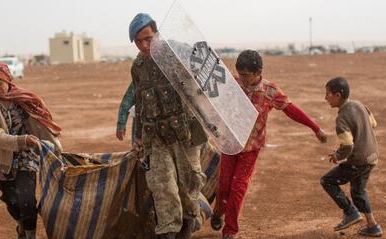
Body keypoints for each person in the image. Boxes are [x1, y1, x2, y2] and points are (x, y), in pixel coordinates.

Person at [210, 50, 328, 239]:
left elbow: (292, 110)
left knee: (238, 187)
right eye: (240, 74)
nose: (242, 78)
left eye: (246, 75)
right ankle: (218, 212)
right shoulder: (232, 82)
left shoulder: (270, 91)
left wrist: (315, 128)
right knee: (224, 185)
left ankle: (230, 230)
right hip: (230, 143)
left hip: (250, 148)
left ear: (258, 72)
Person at [128, 13, 208, 239]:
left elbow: (204, 77)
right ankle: (168, 231)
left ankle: (189, 221)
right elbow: (139, 101)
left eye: (148, 38)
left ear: (158, 34)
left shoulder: (177, 52)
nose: (144, 45)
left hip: (185, 134)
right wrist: (137, 136)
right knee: (163, 188)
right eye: (138, 41)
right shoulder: (138, 66)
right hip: (156, 138)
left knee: (188, 186)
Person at [0, 61, 62, 239]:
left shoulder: (24, 98)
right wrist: (22, 140)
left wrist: (54, 145)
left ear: (8, 80)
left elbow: (41, 122)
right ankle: (21, 226)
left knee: (28, 201)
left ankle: (29, 235)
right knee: (13, 202)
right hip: (1, 157)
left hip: (27, 154)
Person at [320, 77, 382, 237]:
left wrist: (337, 155)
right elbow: (373, 123)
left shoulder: (342, 118)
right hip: (372, 156)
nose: (325, 97)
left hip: (359, 160)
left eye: (328, 94)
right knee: (358, 191)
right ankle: (372, 225)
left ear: (338, 95)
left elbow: (347, 146)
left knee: (327, 180)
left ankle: (350, 212)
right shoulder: (360, 105)